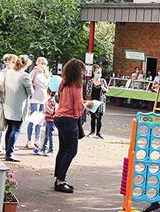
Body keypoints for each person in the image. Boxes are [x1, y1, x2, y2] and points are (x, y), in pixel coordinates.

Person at [54, 59, 93, 193]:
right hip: (69, 120)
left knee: (63, 149)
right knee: (71, 151)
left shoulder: (63, 83)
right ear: (78, 72)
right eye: (82, 71)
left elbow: (59, 99)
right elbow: (78, 107)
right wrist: (89, 104)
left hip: (59, 117)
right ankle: (60, 181)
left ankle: (58, 178)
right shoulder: (77, 85)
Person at [0, 57, 34, 162]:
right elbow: (31, 92)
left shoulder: (9, 72)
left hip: (8, 105)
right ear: (26, 65)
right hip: (19, 107)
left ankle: (7, 152)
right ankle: (10, 154)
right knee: (16, 129)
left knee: (9, 129)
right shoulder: (25, 76)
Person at [27, 57, 50, 149]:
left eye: (45, 63)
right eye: (41, 63)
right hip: (35, 99)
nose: (43, 65)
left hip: (43, 100)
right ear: (37, 63)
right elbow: (28, 81)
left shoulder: (47, 74)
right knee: (33, 119)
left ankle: (37, 139)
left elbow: (49, 87)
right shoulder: (35, 72)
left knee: (40, 121)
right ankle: (29, 140)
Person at [0, 54, 17, 152]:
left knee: (12, 123)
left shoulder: (17, 72)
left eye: (15, 62)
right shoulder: (3, 72)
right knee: (2, 122)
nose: (13, 64)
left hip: (14, 100)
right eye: (12, 62)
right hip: (5, 98)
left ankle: (10, 144)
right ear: (7, 61)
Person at [85, 64, 108, 139]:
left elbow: (107, 90)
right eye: (98, 73)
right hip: (93, 102)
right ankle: (92, 131)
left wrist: (105, 89)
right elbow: (87, 92)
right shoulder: (90, 82)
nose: (99, 74)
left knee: (99, 118)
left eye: (100, 73)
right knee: (93, 117)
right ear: (94, 72)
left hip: (101, 102)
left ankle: (98, 133)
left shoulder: (103, 81)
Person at [39, 88, 57, 156]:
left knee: (49, 135)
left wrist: (46, 106)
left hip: (51, 120)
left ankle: (51, 150)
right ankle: (44, 148)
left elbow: (51, 111)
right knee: (47, 135)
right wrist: (45, 111)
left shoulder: (51, 101)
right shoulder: (51, 100)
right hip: (48, 119)